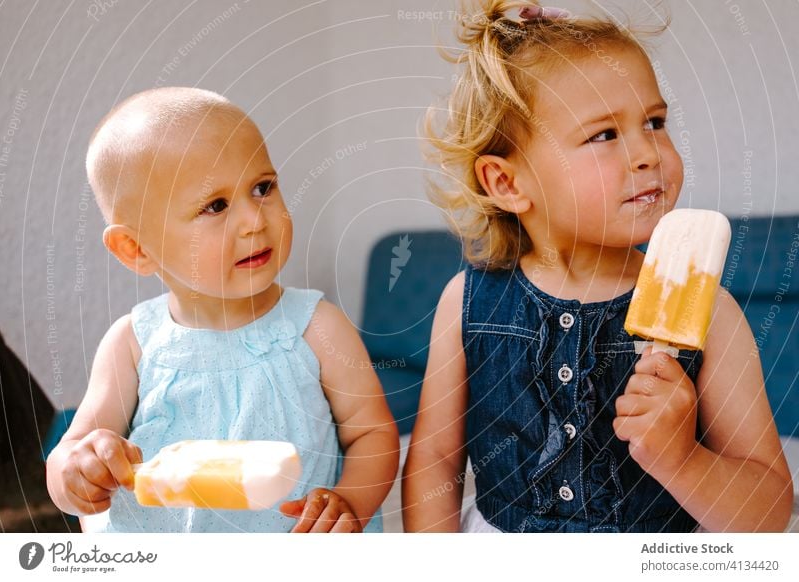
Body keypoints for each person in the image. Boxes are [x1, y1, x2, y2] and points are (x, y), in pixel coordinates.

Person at [402, 1, 792, 532]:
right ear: (507, 184)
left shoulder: (710, 313)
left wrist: (682, 460)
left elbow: (769, 514)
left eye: (654, 122)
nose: (647, 153)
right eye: (604, 135)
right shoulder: (466, 302)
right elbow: (433, 466)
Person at [46, 87, 399, 532]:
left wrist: (349, 500)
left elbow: (372, 434)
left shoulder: (317, 327)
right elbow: (70, 452)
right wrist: (75, 471)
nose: (255, 219)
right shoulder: (133, 344)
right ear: (136, 248)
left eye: (262, 187)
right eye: (215, 205)